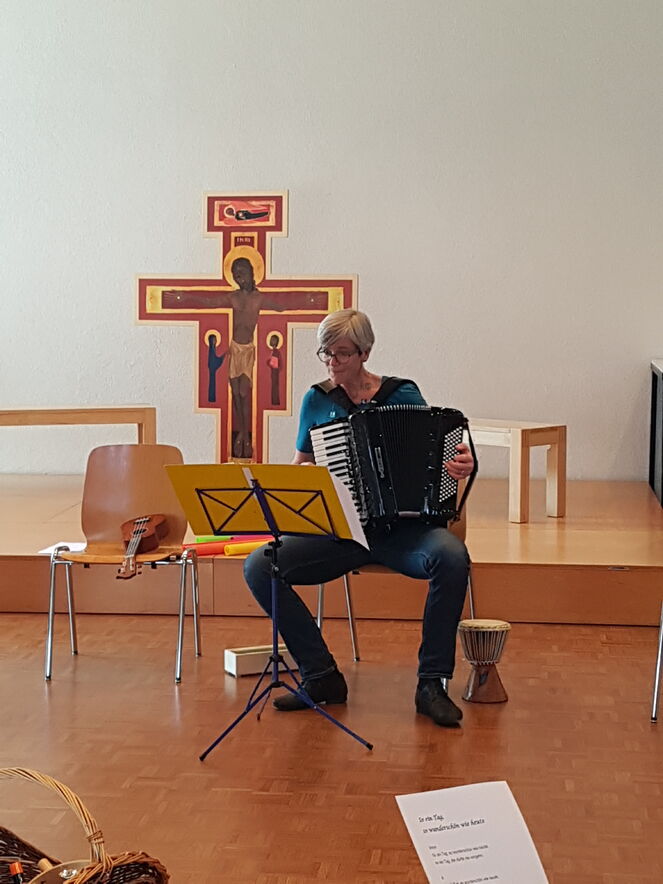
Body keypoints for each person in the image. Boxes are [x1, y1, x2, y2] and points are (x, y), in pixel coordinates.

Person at [244, 309, 475, 728]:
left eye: (342, 354)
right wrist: (301, 479)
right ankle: (320, 675)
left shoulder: (403, 394)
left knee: (452, 556)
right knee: (261, 566)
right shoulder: (317, 400)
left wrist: (458, 465)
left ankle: (432, 684)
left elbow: (435, 457)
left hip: (405, 532)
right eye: (326, 353)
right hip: (343, 533)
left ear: (365, 353)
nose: (332, 362)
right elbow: (301, 464)